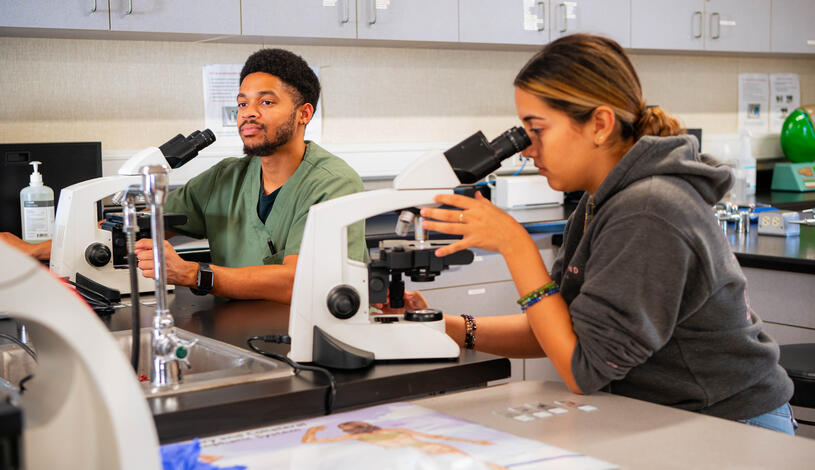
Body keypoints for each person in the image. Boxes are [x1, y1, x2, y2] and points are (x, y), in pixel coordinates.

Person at [408, 34, 796, 434]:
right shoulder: (603, 200)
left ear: (599, 124)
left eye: (536, 130)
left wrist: (516, 245)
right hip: (671, 416)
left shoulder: (648, 209)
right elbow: (557, 330)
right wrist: (442, 326)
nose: (526, 150)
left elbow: (584, 369)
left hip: (732, 425)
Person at [2, 48, 366, 304]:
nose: (248, 114)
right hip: (245, 330)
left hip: (313, 339)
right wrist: (33, 250)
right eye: (242, 103)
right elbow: (140, 227)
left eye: (266, 102)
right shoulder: (228, 176)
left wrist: (193, 274)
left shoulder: (333, 183)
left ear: (304, 113)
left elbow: (297, 281)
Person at [302, 421, 504, 469]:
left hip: (423, 450)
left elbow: (431, 437)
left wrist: (473, 441)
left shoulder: (388, 432)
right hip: (414, 454)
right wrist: (312, 430)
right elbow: (311, 443)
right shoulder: (359, 438)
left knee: (475, 463)